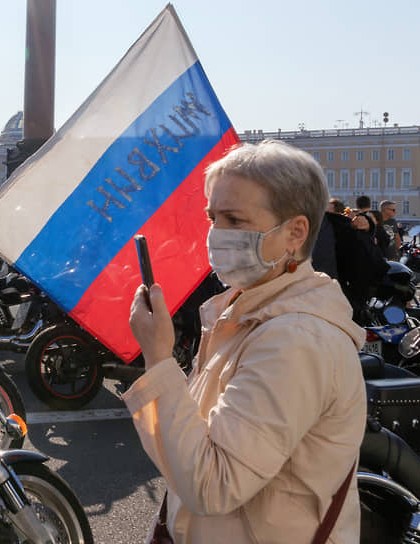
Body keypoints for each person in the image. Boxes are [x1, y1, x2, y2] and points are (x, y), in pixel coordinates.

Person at [127, 140, 365, 543]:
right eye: (212, 217)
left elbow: (212, 485)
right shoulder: (243, 309)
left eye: (234, 220)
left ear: (295, 232)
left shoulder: (295, 339)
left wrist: (158, 358)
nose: (217, 234)